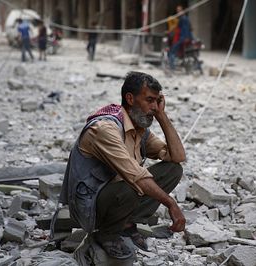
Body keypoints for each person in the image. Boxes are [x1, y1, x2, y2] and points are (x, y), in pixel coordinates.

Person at [59, 71, 186, 259]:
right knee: (133, 184)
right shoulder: (105, 128)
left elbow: (177, 157)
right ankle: (107, 233)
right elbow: (136, 176)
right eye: (149, 100)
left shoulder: (139, 129)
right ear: (130, 98)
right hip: (90, 205)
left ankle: (126, 224)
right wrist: (171, 203)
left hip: (118, 195)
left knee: (173, 170)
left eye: (157, 101)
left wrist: (162, 116)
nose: (153, 107)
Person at [168, 5, 193, 70]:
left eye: (179, 10)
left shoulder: (182, 19)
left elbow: (184, 29)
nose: (178, 12)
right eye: (177, 10)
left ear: (182, 11)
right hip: (186, 37)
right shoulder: (184, 19)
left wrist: (185, 37)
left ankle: (172, 68)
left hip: (182, 38)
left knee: (172, 52)